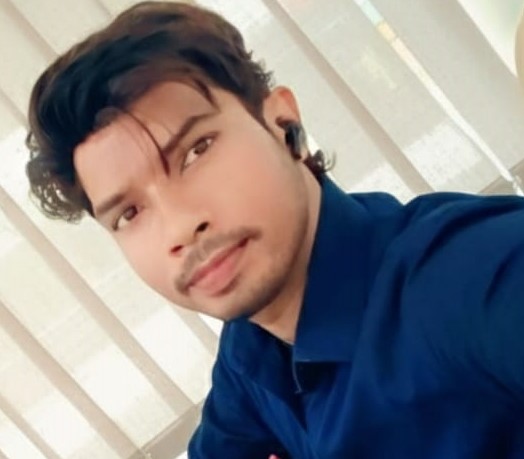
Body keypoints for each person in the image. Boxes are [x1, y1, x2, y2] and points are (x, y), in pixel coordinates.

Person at [26, 2, 524, 458]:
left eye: (196, 152)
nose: (179, 227)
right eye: (130, 213)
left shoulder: (463, 277)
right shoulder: (252, 350)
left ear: (282, 123)